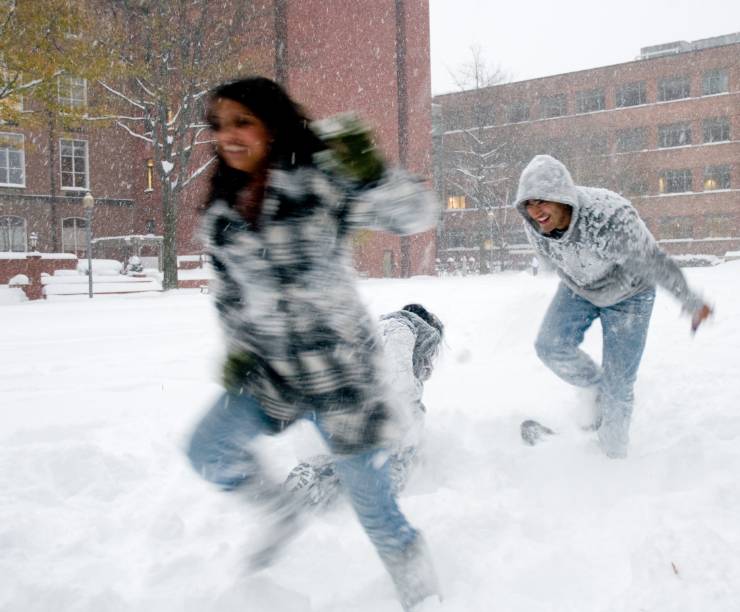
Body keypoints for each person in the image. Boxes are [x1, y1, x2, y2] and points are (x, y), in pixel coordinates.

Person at [185, 77, 441, 611]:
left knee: (376, 513)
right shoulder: (223, 211)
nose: (227, 136)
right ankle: (282, 512)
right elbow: (229, 295)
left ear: (272, 126)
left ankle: (425, 599)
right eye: (219, 125)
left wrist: (373, 175)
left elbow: (414, 215)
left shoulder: (317, 180)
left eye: (242, 122)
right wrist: (238, 347)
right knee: (207, 449)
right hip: (272, 374)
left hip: (343, 377)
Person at [514, 154, 712, 458]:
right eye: (529, 203)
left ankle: (612, 456)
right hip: (580, 289)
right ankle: (596, 392)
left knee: (618, 385)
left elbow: (654, 262)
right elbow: (552, 260)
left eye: (543, 201)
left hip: (629, 295)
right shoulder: (536, 224)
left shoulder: (608, 219)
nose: (535, 210)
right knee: (550, 346)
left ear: (562, 196)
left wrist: (689, 299)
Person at [285, 303, 444, 509]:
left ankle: (317, 476)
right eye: (429, 352)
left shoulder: (368, 330)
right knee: (410, 413)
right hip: (358, 425)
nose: (428, 361)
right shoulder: (400, 329)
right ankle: (382, 476)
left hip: (320, 419)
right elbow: (400, 386)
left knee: (332, 463)